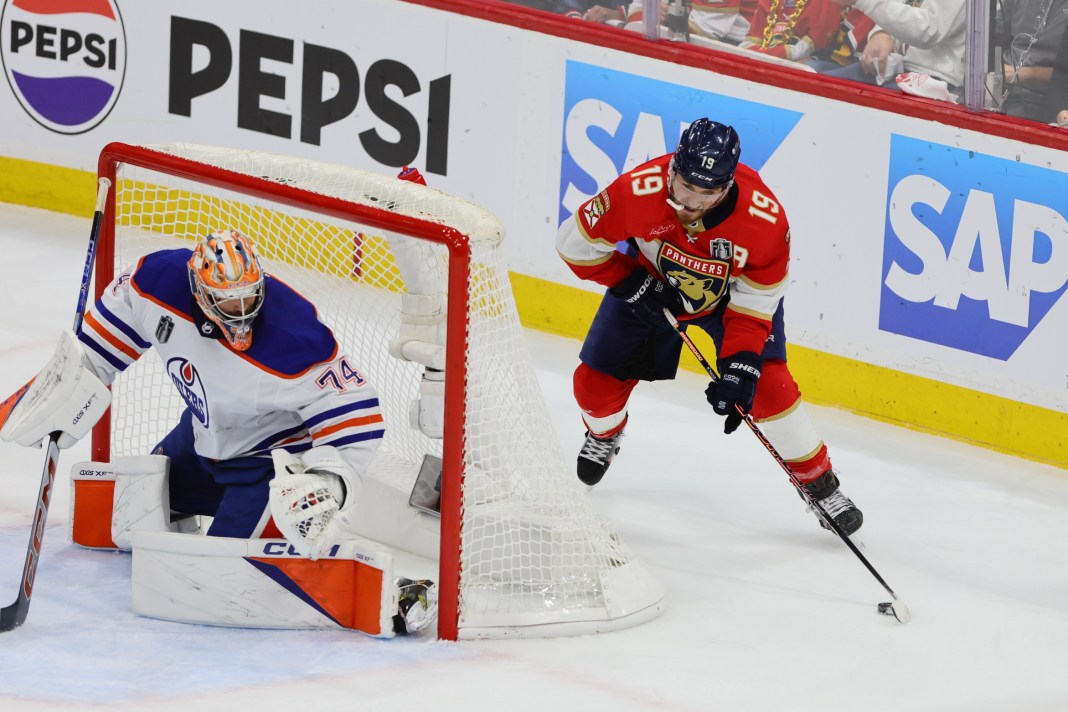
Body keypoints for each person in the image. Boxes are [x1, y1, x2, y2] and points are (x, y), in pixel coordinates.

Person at [0, 227, 437, 632]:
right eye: (229, 302)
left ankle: (392, 598)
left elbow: (358, 411)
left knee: (219, 578)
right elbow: (92, 357)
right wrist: (52, 394)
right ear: (198, 292)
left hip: (270, 465)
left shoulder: (295, 337)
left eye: (249, 298)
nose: (243, 313)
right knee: (124, 516)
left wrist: (328, 481)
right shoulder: (153, 283)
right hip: (201, 441)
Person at [555, 118, 864, 536]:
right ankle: (606, 434)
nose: (692, 202)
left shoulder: (765, 221)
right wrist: (630, 283)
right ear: (673, 169)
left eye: (708, 192)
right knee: (592, 387)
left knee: (771, 390)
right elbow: (572, 243)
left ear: (728, 185)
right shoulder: (637, 191)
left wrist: (740, 366)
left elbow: (756, 303)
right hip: (653, 287)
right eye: (685, 186)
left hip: (731, 302)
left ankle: (819, 483)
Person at [824, 0, 966, 99]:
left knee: (823, 95)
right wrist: (882, 33)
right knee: (814, 76)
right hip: (897, 69)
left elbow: (928, 30)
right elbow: (902, 5)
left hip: (935, 80)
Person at [738, 0, 875, 67]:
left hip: (811, 65)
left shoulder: (827, 3)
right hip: (767, 61)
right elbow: (747, 44)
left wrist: (763, 54)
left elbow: (805, 51)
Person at [995, 0, 1068, 121]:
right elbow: (991, 40)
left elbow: (1062, 77)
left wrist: (1025, 73)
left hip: (1041, 99)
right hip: (999, 88)